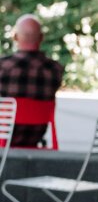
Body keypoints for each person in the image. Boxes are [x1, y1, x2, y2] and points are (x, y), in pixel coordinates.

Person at [0, 14, 65, 148]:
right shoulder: (55, 70)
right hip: (34, 138)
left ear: (15, 37)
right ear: (41, 38)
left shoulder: (3, 67)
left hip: (4, 138)